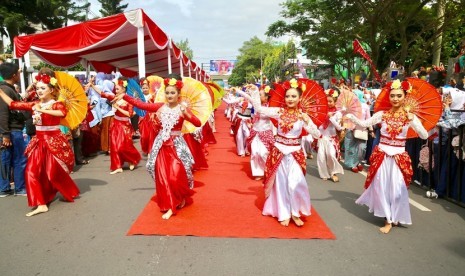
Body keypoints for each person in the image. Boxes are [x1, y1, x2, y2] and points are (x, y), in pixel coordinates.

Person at [346, 79, 428, 234]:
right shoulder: (381, 115)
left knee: (397, 189)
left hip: (398, 157)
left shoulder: (410, 117)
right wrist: (351, 116)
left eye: (399, 95)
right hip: (383, 155)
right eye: (392, 96)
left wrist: (414, 122)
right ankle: (388, 219)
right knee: (382, 187)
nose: (395, 99)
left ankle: (395, 214)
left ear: (405, 97)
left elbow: (424, 135)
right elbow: (364, 125)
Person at [116, 75, 202, 220]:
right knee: (164, 177)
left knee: (176, 177)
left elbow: (198, 123)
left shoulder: (182, 109)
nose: (169, 95)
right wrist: (125, 96)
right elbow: (141, 105)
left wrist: (188, 112)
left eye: (172, 93)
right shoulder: (159, 107)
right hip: (162, 146)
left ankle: (180, 197)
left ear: (178, 94)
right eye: (167, 93)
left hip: (176, 147)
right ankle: (171, 205)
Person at [0, 68, 80, 216]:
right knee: (30, 172)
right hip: (38, 142)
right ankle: (41, 203)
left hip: (53, 142)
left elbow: (61, 113)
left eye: (43, 88)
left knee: (52, 173)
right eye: (37, 88)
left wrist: (42, 110)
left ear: (51, 89)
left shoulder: (57, 104)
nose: (39, 91)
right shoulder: (34, 104)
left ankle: (67, 190)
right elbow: (13, 104)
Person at [242, 79, 321, 227]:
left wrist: (308, 122)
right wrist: (254, 91)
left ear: (299, 98)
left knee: (297, 184)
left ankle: (296, 212)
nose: (290, 99)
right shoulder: (279, 112)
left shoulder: (303, 116)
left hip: (295, 154)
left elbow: (316, 134)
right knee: (282, 184)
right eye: (287, 96)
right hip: (279, 151)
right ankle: (284, 213)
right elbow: (259, 109)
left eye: (293, 96)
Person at [89, 77, 141, 174]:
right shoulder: (114, 98)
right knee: (114, 146)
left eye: (117, 89)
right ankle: (118, 166)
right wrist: (92, 85)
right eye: (115, 89)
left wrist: (117, 108)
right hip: (115, 124)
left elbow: (129, 114)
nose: (115, 90)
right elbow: (102, 93)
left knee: (124, 146)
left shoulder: (129, 100)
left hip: (124, 126)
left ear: (123, 89)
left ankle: (132, 159)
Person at [0, 62, 28, 197]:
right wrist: (5, 134)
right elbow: (3, 113)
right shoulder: (6, 90)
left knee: (7, 159)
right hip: (11, 131)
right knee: (17, 159)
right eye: (18, 72)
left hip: (10, 130)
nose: (19, 74)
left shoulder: (8, 89)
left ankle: (5, 188)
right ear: (13, 75)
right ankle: (19, 187)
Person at [242, 85, 274, 180]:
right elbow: (248, 97)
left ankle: (268, 170)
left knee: (264, 153)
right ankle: (258, 173)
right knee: (255, 153)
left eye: (260, 95)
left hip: (265, 133)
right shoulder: (256, 105)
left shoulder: (270, 107)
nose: (258, 97)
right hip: (255, 133)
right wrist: (238, 91)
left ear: (266, 97)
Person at [317, 89, 344, 182]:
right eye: (326, 101)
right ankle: (324, 173)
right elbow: (318, 124)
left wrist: (331, 118)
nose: (328, 103)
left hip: (331, 139)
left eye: (330, 101)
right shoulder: (321, 111)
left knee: (331, 155)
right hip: (322, 137)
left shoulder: (338, 113)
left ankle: (333, 172)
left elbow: (339, 127)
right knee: (321, 157)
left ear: (335, 101)